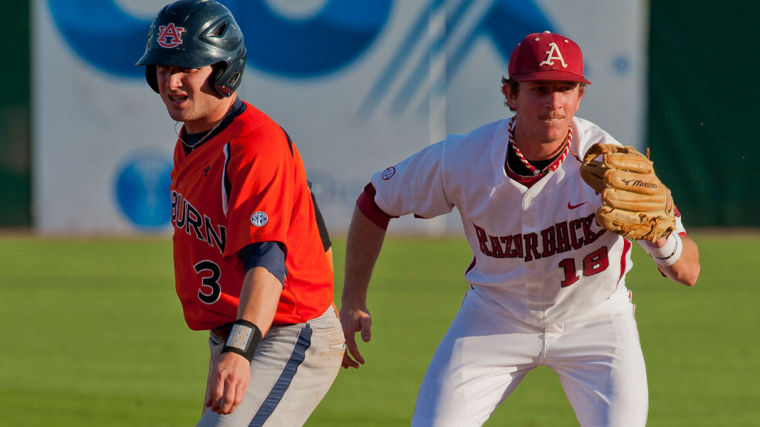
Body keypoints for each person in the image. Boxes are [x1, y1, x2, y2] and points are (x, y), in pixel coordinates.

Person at [340, 31, 700, 426]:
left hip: (597, 323)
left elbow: (688, 271)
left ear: (581, 96)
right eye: (539, 89)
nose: (554, 103)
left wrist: (659, 236)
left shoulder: (611, 164)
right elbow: (376, 200)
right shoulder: (464, 159)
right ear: (510, 94)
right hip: (494, 319)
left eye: (566, 88)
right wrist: (354, 297)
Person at [136, 1, 344, 425]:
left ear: (225, 70)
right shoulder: (194, 138)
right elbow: (314, 226)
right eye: (162, 68)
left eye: (187, 68)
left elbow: (267, 258)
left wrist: (240, 349)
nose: (172, 82)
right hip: (250, 330)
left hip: (282, 333)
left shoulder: (254, 145)